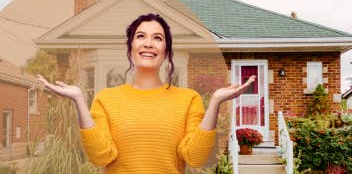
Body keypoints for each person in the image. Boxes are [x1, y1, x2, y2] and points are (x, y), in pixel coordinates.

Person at [37, 13, 256, 174]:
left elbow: (195, 158)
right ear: (131, 47)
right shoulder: (106, 99)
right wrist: (79, 101)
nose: (149, 43)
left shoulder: (189, 99)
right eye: (141, 36)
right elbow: (100, 156)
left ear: (166, 51)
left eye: (158, 38)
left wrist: (216, 102)